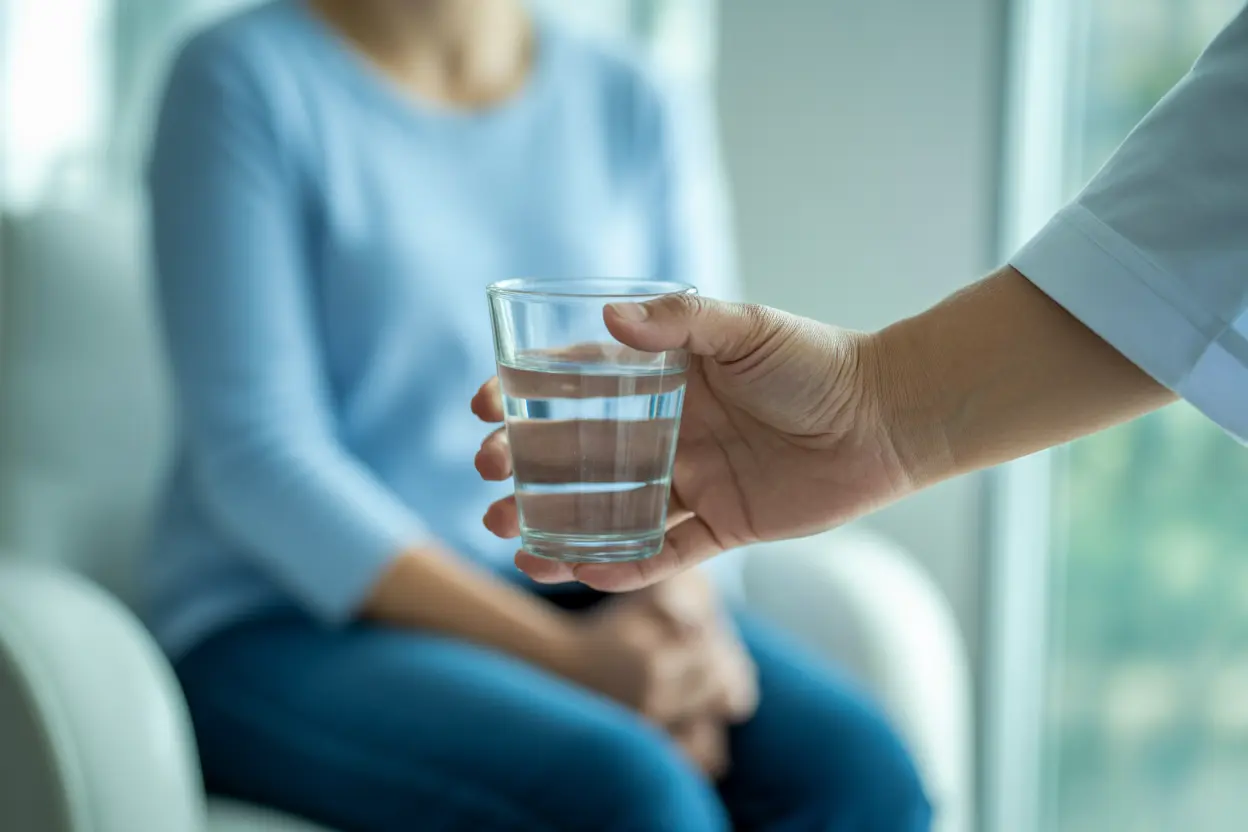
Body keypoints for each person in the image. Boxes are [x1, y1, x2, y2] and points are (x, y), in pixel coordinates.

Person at [145, 1, 930, 830]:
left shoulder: (632, 95)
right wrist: (571, 664)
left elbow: (703, 394)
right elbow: (259, 458)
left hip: (579, 578)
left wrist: (682, 625)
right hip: (291, 619)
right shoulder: (239, 77)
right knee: (629, 794)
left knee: (861, 775)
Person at [476, 5, 1248, 593]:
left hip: (641, 573)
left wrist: (877, 404)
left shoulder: (624, 89)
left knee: (857, 766)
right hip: (459, 585)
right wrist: (877, 405)